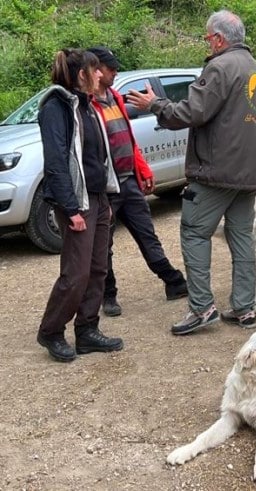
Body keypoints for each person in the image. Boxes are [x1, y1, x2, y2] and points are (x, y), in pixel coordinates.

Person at [127, 10, 256, 335]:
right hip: (249, 170)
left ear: (218, 38)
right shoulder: (254, 67)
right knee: (241, 235)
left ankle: (202, 307)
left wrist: (155, 105)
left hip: (218, 169)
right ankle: (245, 307)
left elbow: (192, 112)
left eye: (208, 38)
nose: (208, 43)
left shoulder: (220, 66)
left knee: (193, 232)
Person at [36, 48, 124, 362]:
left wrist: (107, 197)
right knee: (76, 272)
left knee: (98, 268)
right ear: (81, 75)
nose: (100, 75)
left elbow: (98, 155)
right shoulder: (56, 107)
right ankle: (51, 330)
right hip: (77, 200)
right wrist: (71, 208)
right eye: (94, 70)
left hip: (98, 198)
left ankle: (87, 330)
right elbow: (57, 161)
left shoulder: (86, 105)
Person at [87, 46, 188, 317]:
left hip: (128, 181)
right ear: (97, 71)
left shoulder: (115, 97)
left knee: (147, 235)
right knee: (103, 246)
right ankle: (108, 296)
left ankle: (174, 282)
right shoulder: (86, 104)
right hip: (106, 188)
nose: (115, 71)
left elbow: (128, 140)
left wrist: (142, 171)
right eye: (111, 68)